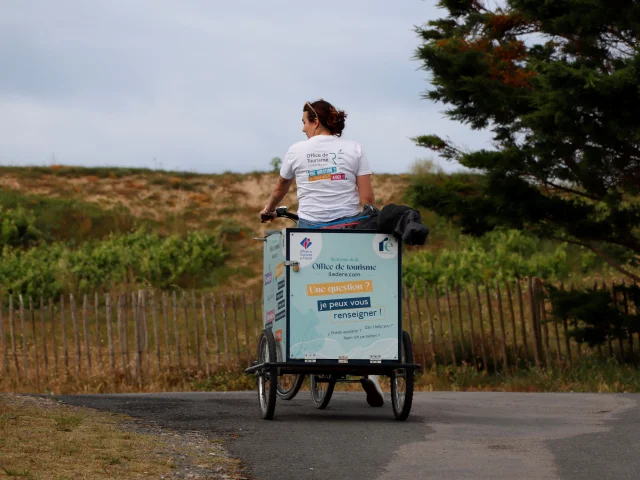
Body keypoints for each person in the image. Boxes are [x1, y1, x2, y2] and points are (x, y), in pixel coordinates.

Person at [259, 99, 384, 407]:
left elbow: (279, 190)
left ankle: (305, 343)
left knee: (307, 294)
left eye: (303, 121)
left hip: (310, 233)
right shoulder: (355, 149)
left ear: (315, 121)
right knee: (349, 290)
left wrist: (268, 210)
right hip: (347, 232)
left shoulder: (296, 151)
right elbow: (367, 199)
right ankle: (367, 366)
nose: (301, 127)